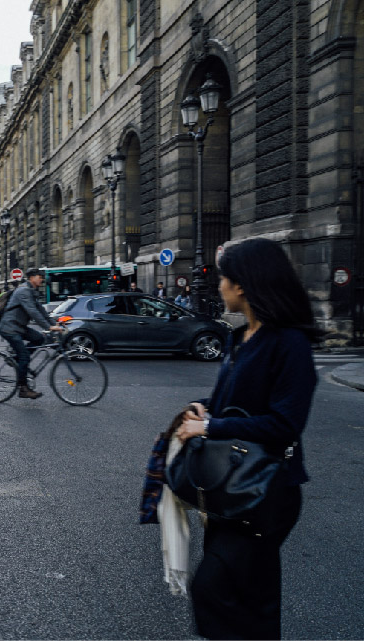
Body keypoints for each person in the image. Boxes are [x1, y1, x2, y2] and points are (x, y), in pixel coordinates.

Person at [172, 238, 321, 640]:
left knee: (214, 587)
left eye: (223, 277)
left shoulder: (288, 343)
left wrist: (211, 428)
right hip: (230, 484)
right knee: (251, 594)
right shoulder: (239, 338)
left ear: (242, 284)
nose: (219, 285)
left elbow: (284, 425)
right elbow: (231, 403)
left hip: (266, 489)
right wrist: (201, 408)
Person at [0, 269, 64, 399]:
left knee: (39, 338)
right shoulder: (23, 291)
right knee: (25, 357)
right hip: (9, 328)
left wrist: (55, 324)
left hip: (19, 327)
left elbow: (41, 311)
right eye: (40, 277)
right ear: (32, 278)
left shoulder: (31, 291)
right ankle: (23, 389)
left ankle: (17, 359)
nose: (42, 279)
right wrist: (49, 327)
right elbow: (32, 311)